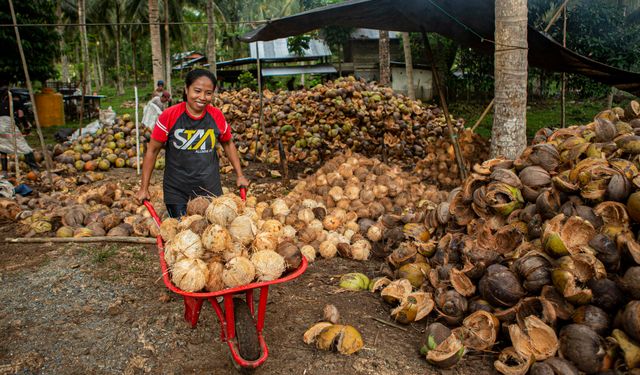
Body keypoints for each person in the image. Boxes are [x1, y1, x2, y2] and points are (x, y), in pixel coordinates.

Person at [136, 69, 249, 218]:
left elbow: (228, 144)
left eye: (208, 93)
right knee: (182, 232)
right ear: (186, 89)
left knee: (212, 234)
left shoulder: (216, 116)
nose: (202, 97)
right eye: (197, 91)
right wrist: (144, 187)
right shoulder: (169, 115)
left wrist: (240, 175)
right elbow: (152, 150)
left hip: (210, 188)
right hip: (177, 190)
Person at [0, 84, 38, 177]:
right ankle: (34, 168)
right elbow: (21, 116)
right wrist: (26, 127)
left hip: (0, 127)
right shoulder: (15, 102)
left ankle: (4, 171)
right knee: (24, 146)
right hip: (8, 125)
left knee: (3, 147)